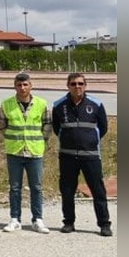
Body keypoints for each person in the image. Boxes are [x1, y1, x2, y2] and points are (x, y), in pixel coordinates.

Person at [52, 73, 112, 236]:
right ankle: (69, 222)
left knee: (98, 190)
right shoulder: (59, 105)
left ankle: (104, 224)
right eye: (73, 84)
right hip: (67, 156)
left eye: (80, 83)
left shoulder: (96, 104)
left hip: (90, 155)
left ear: (85, 85)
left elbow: (103, 128)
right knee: (67, 190)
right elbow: (57, 128)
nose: (77, 86)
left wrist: (89, 141)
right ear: (68, 86)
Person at [0, 72, 52, 234]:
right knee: (15, 187)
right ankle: (15, 219)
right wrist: (12, 138)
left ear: (31, 86)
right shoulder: (7, 104)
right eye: (19, 85)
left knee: (36, 187)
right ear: (15, 86)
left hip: (34, 151)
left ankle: (37, 219)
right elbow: (1, 124)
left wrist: (42, 140)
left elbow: (47, 124)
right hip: (15, 150)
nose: (22, 88)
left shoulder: (41, 104)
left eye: (25, 84)